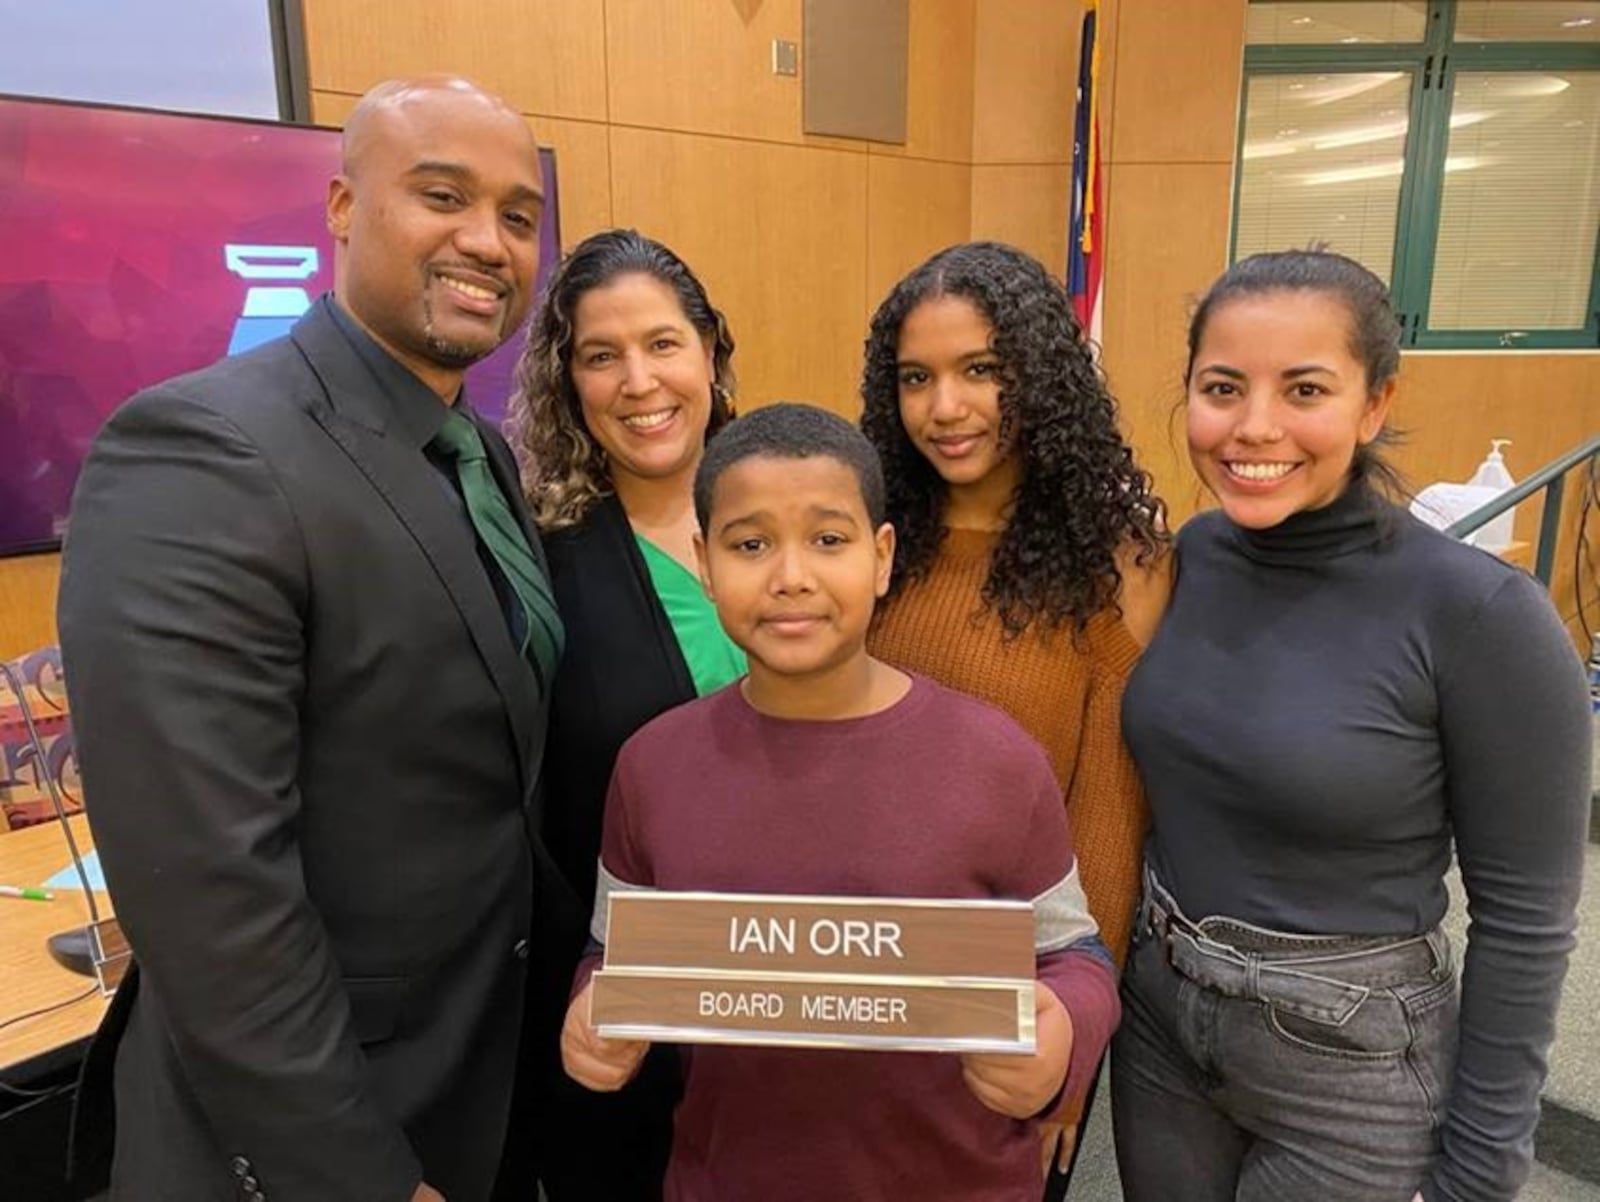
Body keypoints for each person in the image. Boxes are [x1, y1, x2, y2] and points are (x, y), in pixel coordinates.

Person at [58, 76, 561, 1202]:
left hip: (479, 1091)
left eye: (519, 216)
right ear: (341, 206)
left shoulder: (486, 457)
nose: (487, 241)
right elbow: (208, 895)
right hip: (304, 1147)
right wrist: (363, 1178)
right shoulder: (203, 450)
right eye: (443, 196)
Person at [1114, 249, 1591, 1202]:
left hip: (1352, 1062)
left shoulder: (1479, 615)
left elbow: (1528, 927)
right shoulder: (1191, 558)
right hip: (1163, 1020)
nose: (1255, 427)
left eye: (1305, 390)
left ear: (1374, 404)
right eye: (1223, 387)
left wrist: (1480, 1175)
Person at [559, 403, 1120, 1201]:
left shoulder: (996, 759)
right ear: (706, 562)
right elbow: (614, 956)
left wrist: (1062, 1031)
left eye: (829, 540)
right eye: (751, 545)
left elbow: (1077, 956)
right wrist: (593, 1013)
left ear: (882, 557)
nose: (792, 576)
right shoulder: (652, 767)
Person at [859, 240, 1169, 1187]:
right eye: (918, 377)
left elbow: (1107, 822)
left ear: (1039, 376)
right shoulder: (870, 537)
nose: (945, 409)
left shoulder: (1119, 560)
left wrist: (1074, 1047)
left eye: (981, 370)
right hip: (857, 964)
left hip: (1012, 991)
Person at [495, 229, 743, 1201]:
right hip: (631, 1016)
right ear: (571, 382)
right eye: (602, 355)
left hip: (804, 985)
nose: (638, 381)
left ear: (712, 351)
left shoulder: (802, 510)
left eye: (664, 343)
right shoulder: (540, 563)